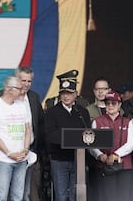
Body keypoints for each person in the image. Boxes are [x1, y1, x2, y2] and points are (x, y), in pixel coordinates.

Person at [44, 70, 91, 201]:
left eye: (69, 93)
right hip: (59, 160)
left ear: (75, 94)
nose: (66, 96)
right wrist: (71, 137)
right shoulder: (52, 112)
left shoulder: (82, 112)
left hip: (78, 160)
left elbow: (89, 134)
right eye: (63, 93)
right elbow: (50, 135)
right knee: (61, 195)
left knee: (76, 195)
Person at [0, 76, 31, 201]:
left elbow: (28, 129)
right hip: (3, 159)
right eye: (19, 88)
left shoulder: (22, 105)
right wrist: (9, 153)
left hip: (21, 158)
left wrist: (26, 149)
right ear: (10, 89)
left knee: (18, 195)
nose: (22, 90)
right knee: (1, 195)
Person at [90, 90, 133, 201]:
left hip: (124, 166)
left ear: (120, 104)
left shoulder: (127, 121)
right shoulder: (97, 121)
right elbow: (91, 144)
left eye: (114, 103)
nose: (110, 106)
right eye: (107, 103)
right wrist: (100, 156)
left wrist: (115, 155)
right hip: (104, 166)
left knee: (124, 197)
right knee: (107, 197)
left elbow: (131, 143)